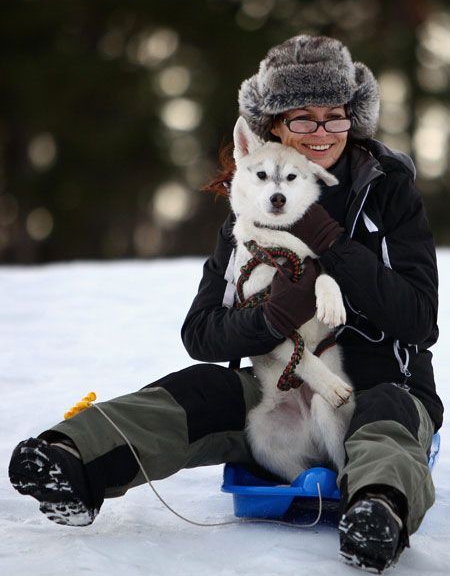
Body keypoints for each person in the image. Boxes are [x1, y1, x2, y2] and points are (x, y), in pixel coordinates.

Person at [9, 35, 443, 573]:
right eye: (303, 118)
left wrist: (331, 243)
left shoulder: (391, 193)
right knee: (203, 388)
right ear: (274, 127)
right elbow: (202, 331)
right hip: (279, 390)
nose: (322, 132)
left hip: (382, 389)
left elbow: (420, 321)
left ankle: (378, 513)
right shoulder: (252, 208)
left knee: (384, 414)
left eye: (335, 116)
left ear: (353, 119)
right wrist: (267, 320)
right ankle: (69, 459)